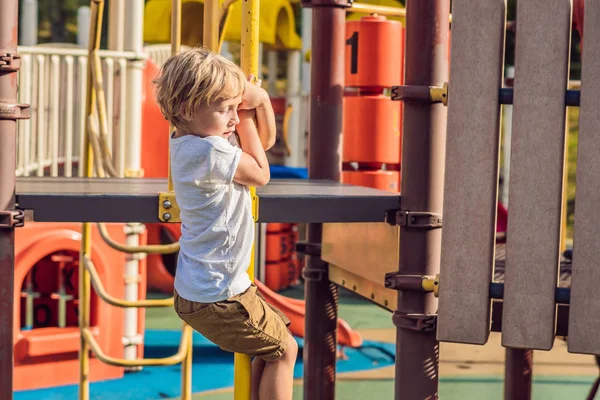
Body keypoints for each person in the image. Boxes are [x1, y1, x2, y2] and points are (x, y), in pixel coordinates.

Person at [153, 47, 298, 400]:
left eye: (235, 108)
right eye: (225, 109)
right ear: (189, 109)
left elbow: (259, 146)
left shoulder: (191, 138)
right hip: (218, 293)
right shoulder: (210, 151)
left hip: (207, 287)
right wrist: (250, 111)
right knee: (285, 351)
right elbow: (261, 172)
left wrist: (255, 104)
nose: (233, 118)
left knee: (269, 349)